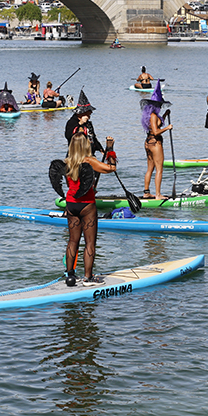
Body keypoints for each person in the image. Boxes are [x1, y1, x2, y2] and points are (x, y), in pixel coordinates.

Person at [49, 132, 118, 287]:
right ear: (85, 145)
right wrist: (110, 149)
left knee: (73, 241)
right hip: (87, 205)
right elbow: (111, 168)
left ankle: (70, 277)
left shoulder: (67, 162)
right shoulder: (90, 161)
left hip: (71, 205)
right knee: (89, 243)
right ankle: (88, 278)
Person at [141, 81, 172, 199]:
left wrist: (164, 116)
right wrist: (167, 128)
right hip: (155, 143)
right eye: (159, 105)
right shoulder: (153, 116)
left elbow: (154, 126)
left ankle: (146, 192)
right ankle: (158, 194)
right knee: (159, 169)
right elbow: (156, 131)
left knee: (150, 168)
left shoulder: (150, 115)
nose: (160, 107)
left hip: (148, 142)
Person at [64, 90, 104, 155]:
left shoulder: (88, 123)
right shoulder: (71, 122)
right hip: (76, 155)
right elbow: (68, 136)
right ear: (82, 113)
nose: (89, 117)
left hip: (89, 154)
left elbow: (93, 138)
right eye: (88, 114)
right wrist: (80, 123)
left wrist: (101, 149)